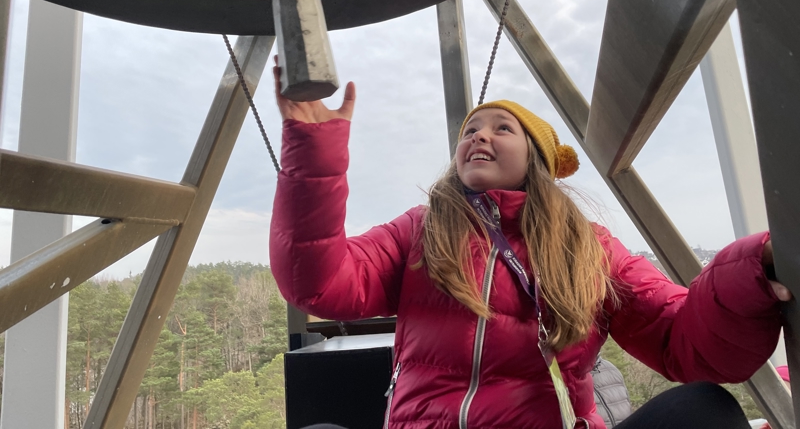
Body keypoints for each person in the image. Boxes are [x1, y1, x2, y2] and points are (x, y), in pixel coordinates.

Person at [269, 62, 790, 429]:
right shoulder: (422, 232)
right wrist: (314, 154)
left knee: (702, 409)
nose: (478, 136)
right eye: (470, 129)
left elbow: (686, 341)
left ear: (536, 158)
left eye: (502, 128)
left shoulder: (588, 249)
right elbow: (320, 282)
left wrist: (753, 268)